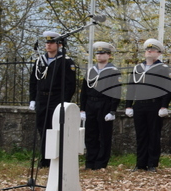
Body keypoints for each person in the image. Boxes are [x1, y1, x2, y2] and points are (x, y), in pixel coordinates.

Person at [28, 31, 77, 167]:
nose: (48, 45)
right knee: (42, 128)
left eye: (51, 43)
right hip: (42, 98)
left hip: (56, 99)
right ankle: (45, 158)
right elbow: (33, 82)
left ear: (59, 45)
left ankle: (56, 157)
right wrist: (32, 99)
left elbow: (70, 85)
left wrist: (64, 101)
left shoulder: (66, 62)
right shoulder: (40, 61)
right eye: (47, 42)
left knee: (54, 129)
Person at [124, 39, 171, 171]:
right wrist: (128, 105)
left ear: (158, 53)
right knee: (141, 135)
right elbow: (131, 87)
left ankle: (152, 164)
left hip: (154, 105)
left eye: (152, 50)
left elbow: (168, 89)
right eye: (147, 50)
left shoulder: (163, 69)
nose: (149, 52)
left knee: (153, 135)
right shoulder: (137, 68)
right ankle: (140, 164)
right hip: (139, 105)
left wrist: (164, 106)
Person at [79, 42, 121, 170]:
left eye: (102, 53)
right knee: (90, 134)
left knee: (104, 135)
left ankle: (101, 162)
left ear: (108, 55)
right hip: (91, 103)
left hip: (105, 104)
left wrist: (112, 110)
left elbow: (116, 92)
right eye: (97, 53)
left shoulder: (113, 71)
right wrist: (83, 108)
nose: (99, 56)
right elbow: (84, 91)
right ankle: (90, 161)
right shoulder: (91, 71)